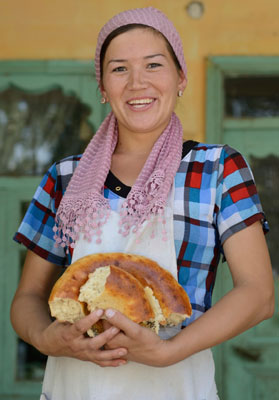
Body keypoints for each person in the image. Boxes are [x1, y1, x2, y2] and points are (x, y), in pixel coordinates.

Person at [10, 7, 274, 400]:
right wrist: (49, 339)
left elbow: (258, 294)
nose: (137, 83)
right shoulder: (66, 177)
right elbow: (27, 298)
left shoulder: (217, 168)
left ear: (180, 77)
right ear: (102, 86)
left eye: (154, 65)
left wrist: (169, 351)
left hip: (178, 386)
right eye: (119, 69)